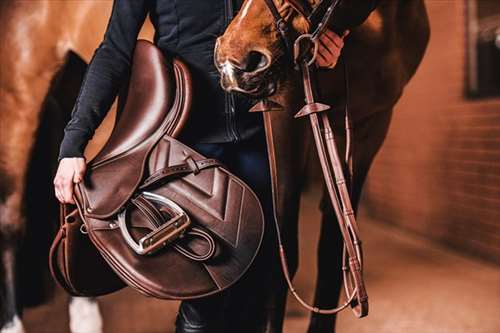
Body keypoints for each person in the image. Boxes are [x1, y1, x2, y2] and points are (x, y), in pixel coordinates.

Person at [53, 1, 346, 332]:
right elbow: (114, 51)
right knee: (203, 303)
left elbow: (288, 19)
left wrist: (320, 45)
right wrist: (73, 144)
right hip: (187, 152)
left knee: (257, 290)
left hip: (260, 140)